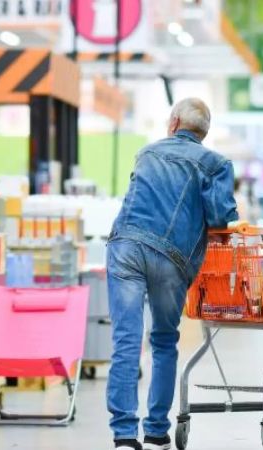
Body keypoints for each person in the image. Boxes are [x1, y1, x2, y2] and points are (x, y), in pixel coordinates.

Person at [106, 98, 238, 450]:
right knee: (163, 341)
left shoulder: (147, 153)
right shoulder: (216, 164)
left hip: (125, 249)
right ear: (203, 132)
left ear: (174, 122)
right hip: (170, 258)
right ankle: (155, 432)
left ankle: (122, 436)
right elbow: (221, 218)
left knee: (126, 342)